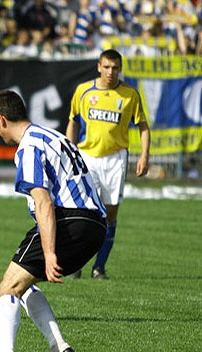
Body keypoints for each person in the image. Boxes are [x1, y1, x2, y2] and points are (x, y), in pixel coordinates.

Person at [0, 90, 106, 352]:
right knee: (24, 285)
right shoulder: (54, 136)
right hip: (96, 226)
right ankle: (60, 350)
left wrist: (49, 252)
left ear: (3, 119)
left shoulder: (29, 147)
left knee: (6, 288)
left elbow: (43, 201)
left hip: (69, 220)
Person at [66, 49, 150, 279]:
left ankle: (99, 267)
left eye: (115, 68)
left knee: (110, 214)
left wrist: (144, 156)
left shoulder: (129, 94)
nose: (110, 72)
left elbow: (143, 126)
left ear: (120, 69)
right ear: (98, 67)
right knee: (84, 210)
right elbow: (73, 121)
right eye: (106, 67)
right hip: (87, 157)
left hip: (116, 159)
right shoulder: (83, 91)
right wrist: (68, 150)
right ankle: (76, 264)